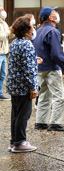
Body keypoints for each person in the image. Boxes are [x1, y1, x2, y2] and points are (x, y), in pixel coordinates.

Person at [7, 15, 40, 152]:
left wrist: (34, 60)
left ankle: (14, 141)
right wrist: (33, 87)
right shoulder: (27, 44)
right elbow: (28, 69)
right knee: (23, 115)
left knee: (16, 113)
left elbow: (20, 63)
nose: (33, 30)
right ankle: (20, 142)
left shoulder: (15, 42)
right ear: (26, 31)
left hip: (14, 84)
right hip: (23, 86)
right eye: (31, 28)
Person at [34, 6, 64, 132]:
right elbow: (56, 53)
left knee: (44, 94)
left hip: (40, 67)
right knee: (59, 95)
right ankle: (55, 123)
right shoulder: (53, 31)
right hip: (51, 67)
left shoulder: (38, 31)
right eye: (55, 12)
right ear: (51, 17)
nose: (57, 13)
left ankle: (41, 121)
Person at [0, 6, 10, 99]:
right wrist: (8, 32)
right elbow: (1, 36)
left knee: (3, 74)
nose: (3, 12)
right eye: (1, 10)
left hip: (4, 53)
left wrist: (12, 32)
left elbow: (8, 36)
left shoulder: (4, 23)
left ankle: (0, 93)